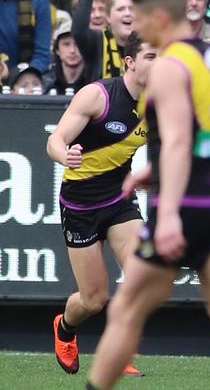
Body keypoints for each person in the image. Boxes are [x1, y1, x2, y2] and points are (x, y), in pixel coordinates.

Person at [84, 0, 210, 390]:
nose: (134, 27)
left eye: (138, 17)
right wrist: (153, 172)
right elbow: (203, 134)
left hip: (182, 206)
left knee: (125, 312)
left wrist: (168, 211)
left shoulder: (170, 66)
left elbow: (174, 141)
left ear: (158, 16)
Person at [46, 32, 153, 377]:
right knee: (93, 300)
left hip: (119, 198)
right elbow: (55, 140)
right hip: (80, 205)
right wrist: (66, 155)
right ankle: (64, 328)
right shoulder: (98, 95)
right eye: (152, 57)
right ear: (130, 62)